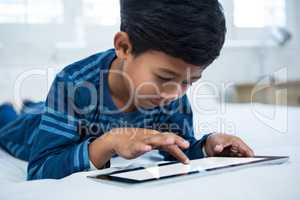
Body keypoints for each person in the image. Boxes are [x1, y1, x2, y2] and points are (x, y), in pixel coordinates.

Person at [0, 0, 254, 180]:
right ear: (123, 46)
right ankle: (10, 108)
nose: (173, 94)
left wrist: (208, 146)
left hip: (62, 115)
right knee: (13, 121)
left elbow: (178, 148)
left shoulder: (172, 93)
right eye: (164, 77)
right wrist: (109, 142)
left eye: (188, 82)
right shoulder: (74, 83)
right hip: (30, 131)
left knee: (39, 109)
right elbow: (40, 168)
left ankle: (33, 105)